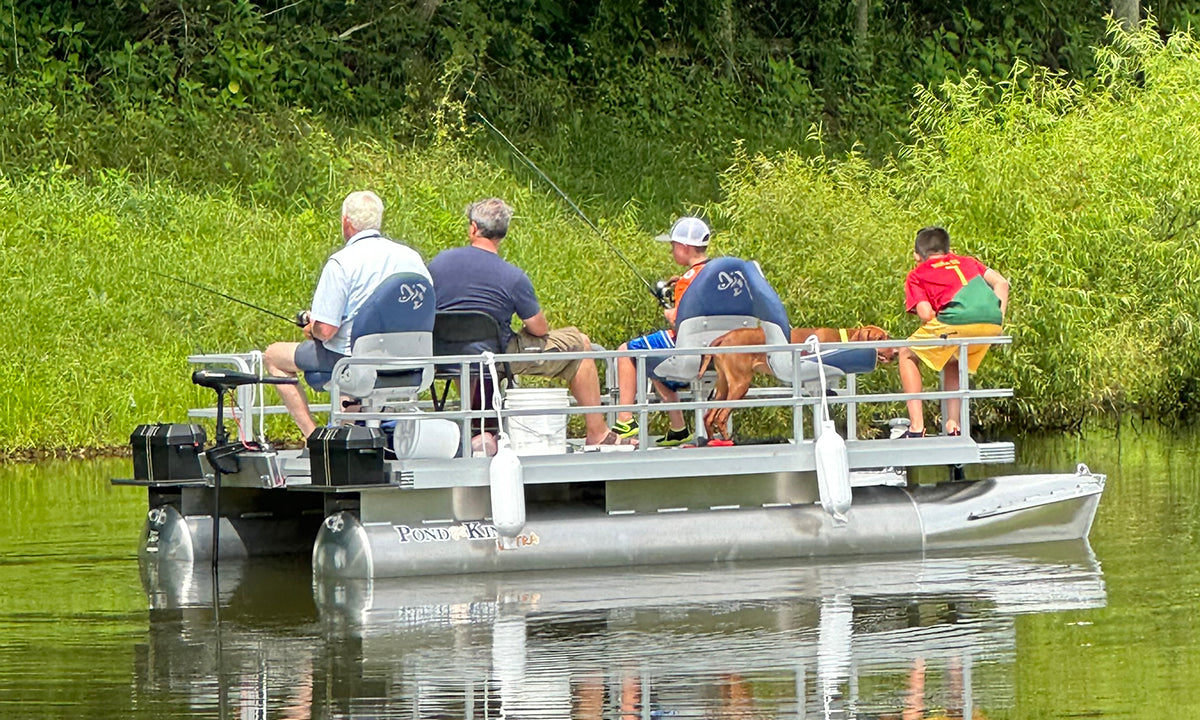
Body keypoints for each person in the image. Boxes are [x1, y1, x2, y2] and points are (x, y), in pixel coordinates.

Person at [427, 198, 631, 447]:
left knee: (472, 356)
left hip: (446, 356)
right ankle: (597, 433)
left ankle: (480, 429)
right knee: (580, 343)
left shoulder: (437, 263)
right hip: (496, 357)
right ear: (503, 233)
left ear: (472, 228)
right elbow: (539, 329)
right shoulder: (512, 276)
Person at [263, 190, 431, 438]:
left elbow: (326, 330)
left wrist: (312, 328)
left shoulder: (342, 262)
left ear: (346, 222)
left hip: (352, 360)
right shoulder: (412, 258)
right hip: (411, 363)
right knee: (347, 364)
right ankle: (355, 423)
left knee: (273, 355)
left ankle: (313, 438)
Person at [609, 216, 712, 446]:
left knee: (626, 352)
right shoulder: (714, 274)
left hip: (685, 344)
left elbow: (679, 320)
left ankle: (625, 420)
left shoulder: (687, 280)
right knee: (653, 361)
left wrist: (668, 311)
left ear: (685, 247)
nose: (671, 250)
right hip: (714, 347)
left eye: (673, 245)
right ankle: (678, 429)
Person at [898, 226, 1009, 437]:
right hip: (993, 322)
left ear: (916, 255)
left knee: (906, 352)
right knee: (952, 357)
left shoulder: (917, 274)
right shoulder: (968, 261)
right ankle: (953, 426)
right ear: (949, 250)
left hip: (957, 321)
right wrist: (999, 321)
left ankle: (916, 427)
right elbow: (1002, 283)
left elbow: (925, 314)